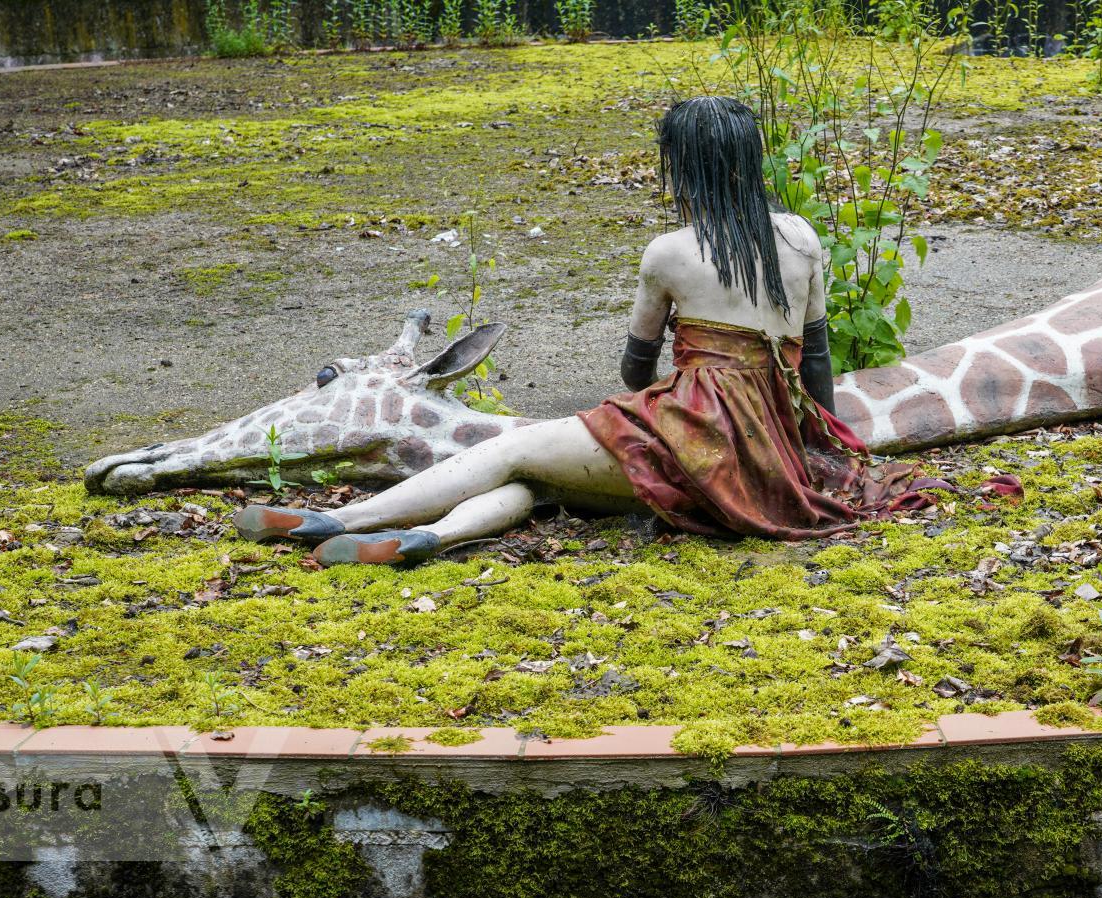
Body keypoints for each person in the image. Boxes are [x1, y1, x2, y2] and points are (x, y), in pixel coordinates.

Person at [232, 96, 945, 567]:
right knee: (541, 484)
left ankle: (339, 519)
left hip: (694, 438)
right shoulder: (801, 237)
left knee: (514, 446)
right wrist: (806, 442)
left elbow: (637, 376)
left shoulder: (669, 252)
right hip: (769, 459)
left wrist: (677, 377)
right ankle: (422, 538)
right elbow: (815, 364)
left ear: (685, 168)